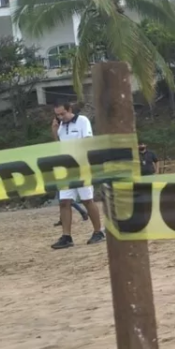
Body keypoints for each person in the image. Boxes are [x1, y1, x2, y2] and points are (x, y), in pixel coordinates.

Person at [50, 103, 106, 249]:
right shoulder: (60, 126)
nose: (60, 117)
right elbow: (59, 146)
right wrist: (55, 132)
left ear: (69, 110)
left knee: (87, 200)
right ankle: (66, 236)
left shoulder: (82, 121)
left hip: (82, 166)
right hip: (66, 168)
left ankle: (98, 231)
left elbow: (87, 142)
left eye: (62, 114)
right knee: (64, 202)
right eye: (57, 115)